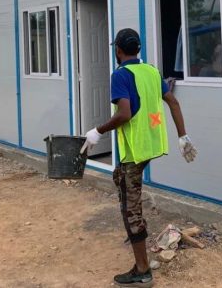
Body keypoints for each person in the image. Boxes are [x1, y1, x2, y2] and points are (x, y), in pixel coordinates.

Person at [84, 28, 197, 288]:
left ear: (118, 50)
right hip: (151, 145)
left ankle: (143, 270)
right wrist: (182, 136)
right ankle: (135, 232)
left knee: (130, 208)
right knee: (122, 181)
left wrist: (97, 131)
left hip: (135, 150)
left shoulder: (120, 75)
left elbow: (124, 114)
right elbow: (173, 102)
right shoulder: (151, 71)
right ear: (138, 49)